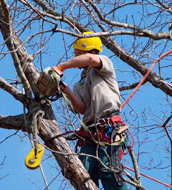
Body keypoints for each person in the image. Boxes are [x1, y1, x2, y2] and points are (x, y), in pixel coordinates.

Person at [53, 32, 128, 190]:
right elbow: (81, 109)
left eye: (78, 54)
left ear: (91, 51)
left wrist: (62, 67)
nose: (75, 57)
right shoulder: (79, 83)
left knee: (109, 172)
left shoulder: (103, 66)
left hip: (109, 128)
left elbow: (91, 60)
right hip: (90, 134)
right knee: (84, 174)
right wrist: (66, 90)